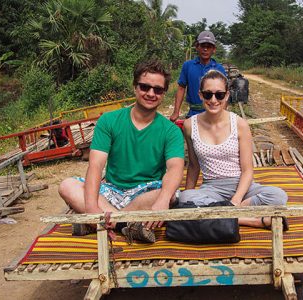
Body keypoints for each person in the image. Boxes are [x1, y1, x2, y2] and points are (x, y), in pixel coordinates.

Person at [58, 60, 185, 242]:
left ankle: (99, 222)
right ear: (135, 87)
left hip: (146, 192)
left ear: (163, 94)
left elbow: (175, 168)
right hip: (111, 190)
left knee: (170, 195)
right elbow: (96, 164)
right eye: (145, 87)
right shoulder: (109, 121)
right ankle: (124, 225)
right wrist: (92, 206)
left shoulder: (170, 130)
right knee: (67, 185)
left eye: (157, 90)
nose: (151, 93)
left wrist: (163, 200)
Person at [180, 70, 288, 229]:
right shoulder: (190, 125)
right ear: (200, 95)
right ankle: (252, 221)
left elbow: (247, 170)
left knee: (278, 196)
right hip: (212, 189)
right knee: (184, 198)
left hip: (242, 187)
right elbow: (194, 166)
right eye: (208, 94)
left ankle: (223, 215)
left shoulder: (239, 124)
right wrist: (186, 202)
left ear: (227, 95)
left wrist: (236, 201)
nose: (214, 100)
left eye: (219, 95)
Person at [169, 30, 227, 122]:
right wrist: (176, 112)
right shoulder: (188, 66)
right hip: (194, 113)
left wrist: (222, 113)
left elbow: (224, 94)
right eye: (203, 46)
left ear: (214, 49)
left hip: (213, 112)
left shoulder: (219, 69)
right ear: (197, 47)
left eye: (209, 47)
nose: (205, 49)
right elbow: (181, 88)